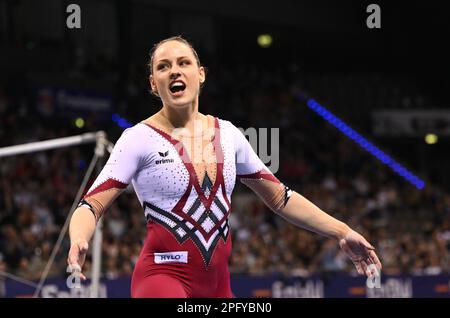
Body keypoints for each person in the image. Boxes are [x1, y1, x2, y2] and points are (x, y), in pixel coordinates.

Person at [67, 36, 382, 298]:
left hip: (219, 286)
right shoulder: (137, 139)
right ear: (154, 82)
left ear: (201, 74)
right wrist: (79, 237)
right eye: (163, 67)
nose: (174, 71)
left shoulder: (229, 135)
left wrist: (341, 231)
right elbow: (91, 204)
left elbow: (280, 197)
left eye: (183, 63)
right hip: (162, 279)